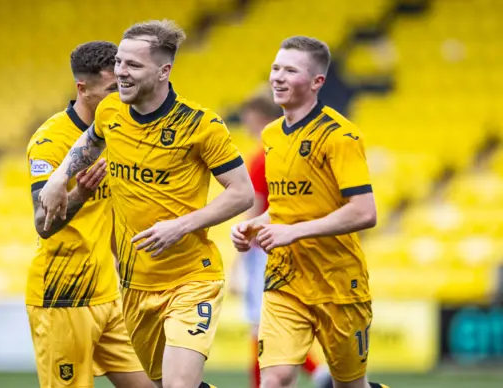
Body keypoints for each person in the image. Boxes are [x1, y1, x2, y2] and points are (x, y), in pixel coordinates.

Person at [39, 20, 254, 388]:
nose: (121, 72)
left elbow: (242, 192)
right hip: (136, 284)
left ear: (163, 70)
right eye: (119, 62)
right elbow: (90, 142)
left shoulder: (200, 126)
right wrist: (60, 178)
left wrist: (182, 225)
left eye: (133, 65)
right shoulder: (110, 112)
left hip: (192, 279)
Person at [230, 36, 390, 388]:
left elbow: (364, 212)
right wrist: (254, 226)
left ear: (317, 81)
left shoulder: (341, 136)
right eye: (275, 68)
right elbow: (288, 208)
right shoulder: (271, 136)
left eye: (290, 70)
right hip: (285, 279)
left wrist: (294, 231)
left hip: (338, 284)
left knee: (350, 384)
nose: (278, 77)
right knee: (275, 378)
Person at [26, 41, 152, 388]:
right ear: (82, 88)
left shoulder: (116, 132)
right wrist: (78, 193)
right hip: (63, 299)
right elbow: (43, 224)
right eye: (112, 89)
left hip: (107, 297)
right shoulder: (50, 141)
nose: (121, 96)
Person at [232, 95, 333, 388]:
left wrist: (240, 262)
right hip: (289, 244)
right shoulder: (291, 154)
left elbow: (256, 209)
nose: (249, 127)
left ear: (261, 119)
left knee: (260, 326)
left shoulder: (260, 157)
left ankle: (287, 378)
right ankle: (316, 373)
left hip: (262, 248)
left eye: (250, 121)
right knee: (276, 327)